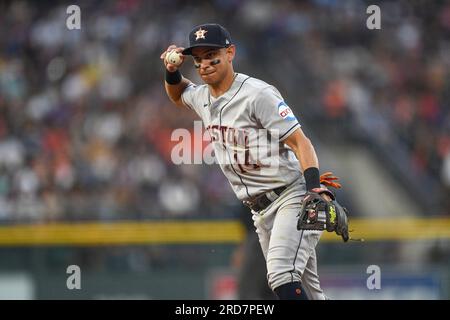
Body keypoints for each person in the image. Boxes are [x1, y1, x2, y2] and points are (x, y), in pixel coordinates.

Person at [160, 23, 338, 300]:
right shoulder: (202, 97)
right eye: (198, 60)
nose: (204, 64)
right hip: (259, 211)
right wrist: (171, 71)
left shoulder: (258, 94)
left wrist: (314, 188)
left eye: (211, 55)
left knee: (280, 275)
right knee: (308, 291)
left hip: (291, 197)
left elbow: (299, 141)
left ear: (230, 52)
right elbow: (178, 94)